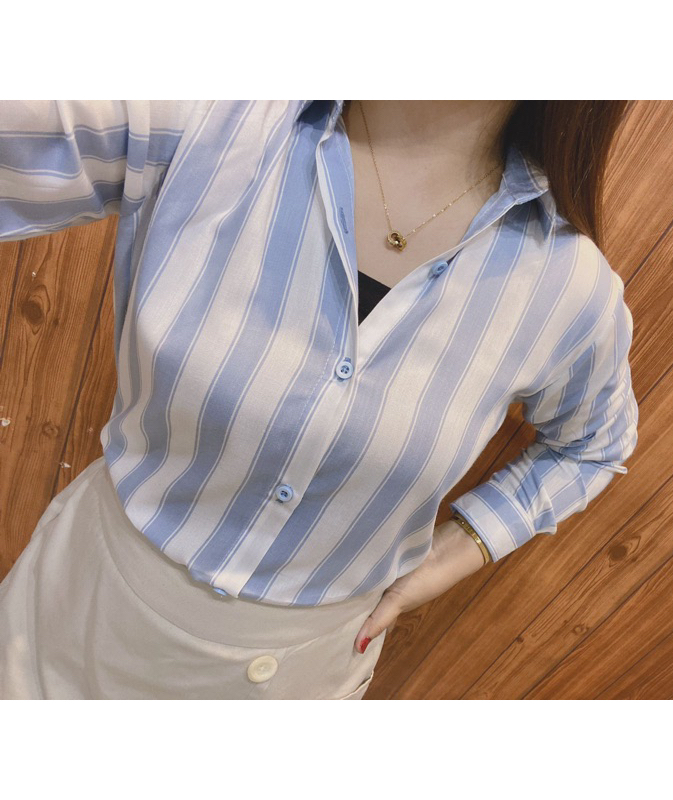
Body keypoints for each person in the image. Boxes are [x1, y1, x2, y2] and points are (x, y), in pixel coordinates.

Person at [0, 100, 639, 699]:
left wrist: (464, 545)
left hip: (300, 676)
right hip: (76, 613)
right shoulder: (211, 114)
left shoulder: (569, 287)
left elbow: (592, 447)